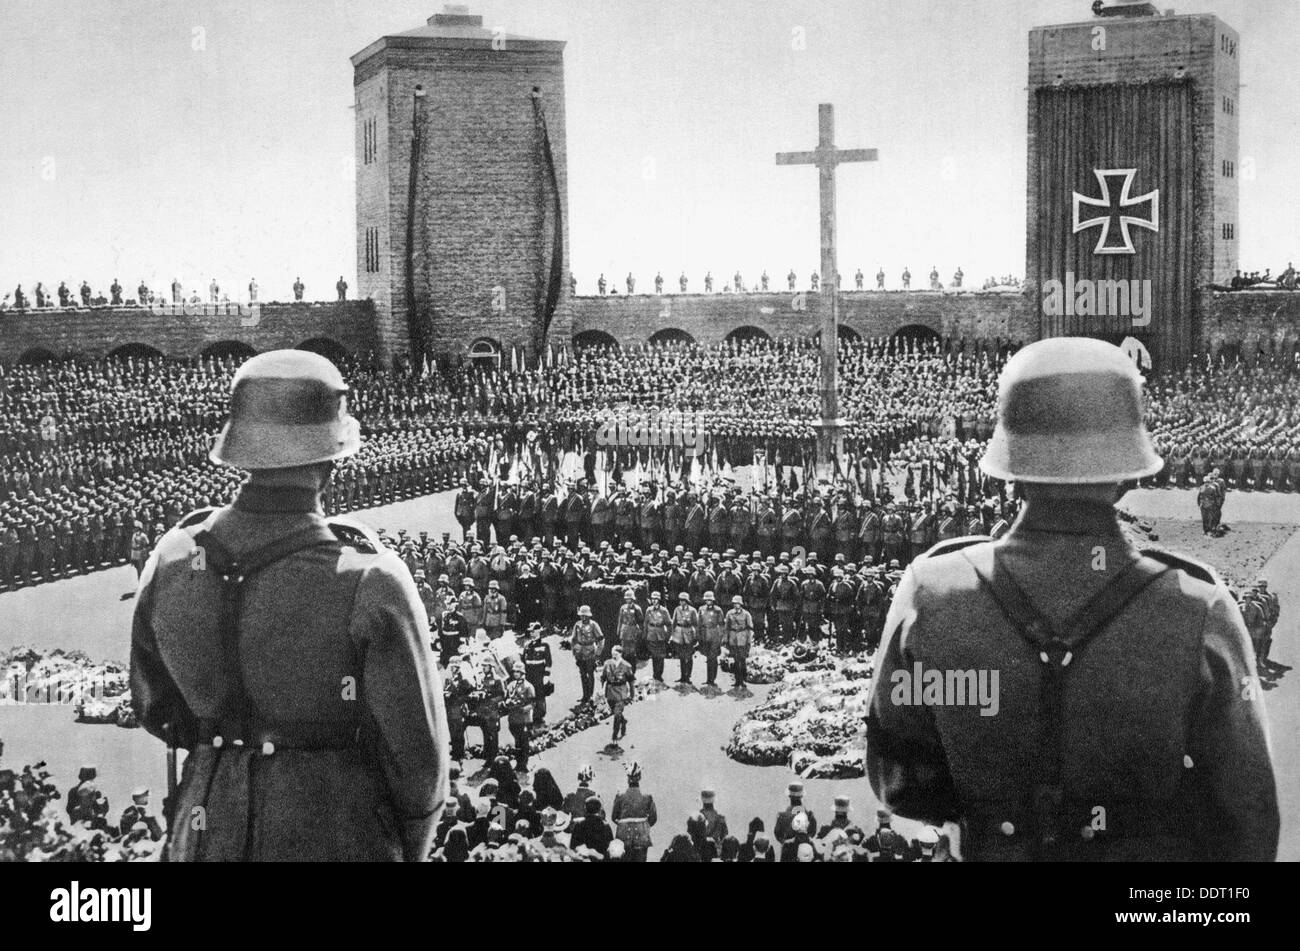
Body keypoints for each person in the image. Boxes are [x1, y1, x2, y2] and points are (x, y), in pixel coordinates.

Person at [866, 338, 1280, 861]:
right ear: (1131, 471)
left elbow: (897, 780)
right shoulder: (1198, 605)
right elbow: (1248, 821)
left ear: (1007, 466)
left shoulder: (929, 592)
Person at [129, 349, 449, 861]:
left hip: (204, 827)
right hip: (334, 830)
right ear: (330, 461)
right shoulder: (372, 579)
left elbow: (155, 708)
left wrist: (230, 745)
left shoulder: (171, 557)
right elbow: (420, 770)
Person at [611, 761, 657, 862]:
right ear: (639, 778)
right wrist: (643, 825)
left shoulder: (620, 797)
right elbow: (653, 819)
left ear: (628, 779)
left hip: (623, 836)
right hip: (642, 836)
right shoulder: (647, 797)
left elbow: (614, 817)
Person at [502, 664, 535, 771]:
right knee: (517, 742)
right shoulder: (511, 685)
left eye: (518, 672)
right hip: (513, 718)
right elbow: (506, 698)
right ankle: (518, 763)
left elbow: (532, 704)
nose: (515, 674)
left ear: (522, 673)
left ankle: (524, 764)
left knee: (524, 742)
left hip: (524, 719)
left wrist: (522, 709)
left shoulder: (528, 686)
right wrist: (507, 704)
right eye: (514, 672)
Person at [570, 604, 604, 704]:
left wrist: (598, 653)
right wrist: (574, 652)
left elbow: (601, 639)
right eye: (581, 615)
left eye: (585, 615)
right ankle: (585, 695)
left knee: (590, 674)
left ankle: (590, 695)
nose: (583, 617)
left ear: (589, 616)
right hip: (580, 652)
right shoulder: (577, 625)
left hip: (590, 652)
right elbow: (573, 639)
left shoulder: (594, 625)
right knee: (583, 675)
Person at [601, 644, 635, 743]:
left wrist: (632, 695)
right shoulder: (607, 663)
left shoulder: (626, 666)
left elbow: (631, 682)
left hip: (621, 692)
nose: (613, 656)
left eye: (615, 654)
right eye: (612, 654)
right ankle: (623, 721)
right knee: (615, 711)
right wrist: (602, 690)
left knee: (616, 714)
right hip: (610, 691)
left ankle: (614, 736)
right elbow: (603, 677)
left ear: (620, 654)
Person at [686, 789, 728, 857]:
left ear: (702, 800)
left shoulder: (694, 818)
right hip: (715, 852)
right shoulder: (721, 818)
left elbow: (690, 833)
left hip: (698, 852)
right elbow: (724, 835)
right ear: (714, 800)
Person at [723, 594, 753, 690]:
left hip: (743, 638)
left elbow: (750, 628)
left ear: (741, 604)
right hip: (733, 638)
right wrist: (726, 639)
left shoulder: (746, 614)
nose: (736, 605)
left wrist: (749, 640)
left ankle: (743, 680)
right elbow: (726, 627)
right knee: (736, 660)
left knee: (742, 659)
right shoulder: (729, 613)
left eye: (738, 603)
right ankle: (737, 681)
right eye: (734, 604)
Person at [671, 591, 698, 684]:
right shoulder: (677, 609)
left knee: (689, 655)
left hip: (689, 633)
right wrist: (672, 634)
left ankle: (688, 676)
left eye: (683, 600)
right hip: (679, 633)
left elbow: (696, 624)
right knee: (681, 656)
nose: (681, 602)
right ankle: (682, 676)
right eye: (680, 600)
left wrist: (696, 637)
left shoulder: (692, 610)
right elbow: (673, 622)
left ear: (687, 601)